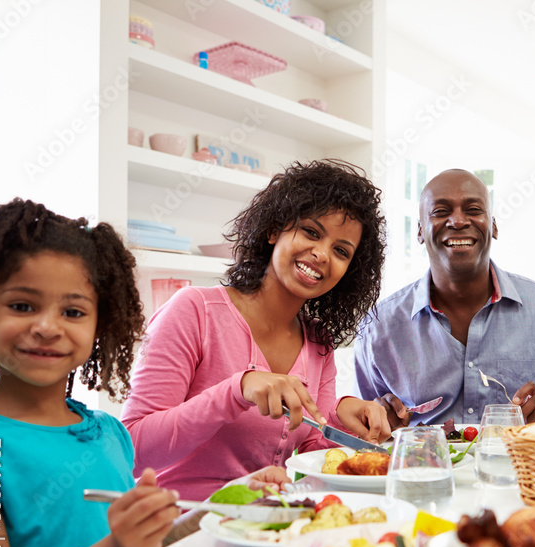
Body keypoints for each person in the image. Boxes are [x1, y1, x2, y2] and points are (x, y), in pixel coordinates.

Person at [0, 199, 181, 547]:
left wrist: (230, 510)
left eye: (73, 312)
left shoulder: (110, 432)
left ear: (99, 325)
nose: (48, 327)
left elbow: (140, 546)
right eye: (23, 306)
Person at [122, 160, 392, 501]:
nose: (322, 254)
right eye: (311, 231)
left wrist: (343, 416)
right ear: (274, 230)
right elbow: (130, 450)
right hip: (179, 527)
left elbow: (313, 450)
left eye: (341, 251)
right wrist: (236, 390)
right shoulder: (194, 310)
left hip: (260, 526)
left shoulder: (317, 340)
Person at [353, 169, 535, 426]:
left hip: (522, 465)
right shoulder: (378, 326)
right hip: (419, 466)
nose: (458, 221)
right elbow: (364, 440)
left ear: (493, 225)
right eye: (440, 212)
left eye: (474, 210)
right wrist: (376, 421)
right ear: (419, 231)